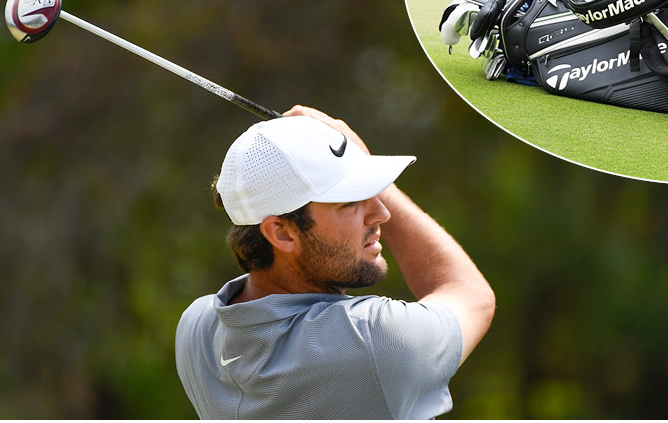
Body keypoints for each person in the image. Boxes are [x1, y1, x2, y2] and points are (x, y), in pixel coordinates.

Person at [176, 106, 495, 418]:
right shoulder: (374, 342)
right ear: (282, 233)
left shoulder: (197, 330)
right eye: (351, 201)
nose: (383, 213)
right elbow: (472, 296)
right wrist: (375, 172)